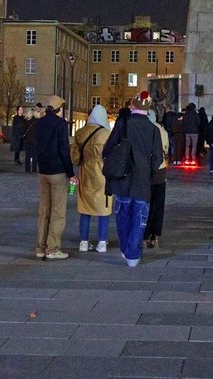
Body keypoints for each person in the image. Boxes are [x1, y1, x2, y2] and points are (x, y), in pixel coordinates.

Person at [104, 91, 163, 267]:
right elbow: (158, 158)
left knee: (123, 215)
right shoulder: (154, 129)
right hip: (142, 180)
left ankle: (125, 249)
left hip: (123, 178)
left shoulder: (124, 124)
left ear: (133, 105)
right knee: (139, 218)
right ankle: (133, 254)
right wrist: (148, 171)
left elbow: (108, 148)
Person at [33, 97, 76, 261]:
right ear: (60, 109)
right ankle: (53, 248)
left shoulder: (40, 123)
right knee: (58, 212)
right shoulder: (60, 124)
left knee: (44, 211)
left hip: (43, 170)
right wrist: (71, 173)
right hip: (57, 171)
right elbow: (64, 150)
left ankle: (41, 247)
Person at [71, 104, 111, 254]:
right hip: (103, 174)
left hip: (86, 173)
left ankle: (84, 242)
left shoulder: (80, 133)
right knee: (104, 208)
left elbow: (74, 158)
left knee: (85, 209)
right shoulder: (107, 134)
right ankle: (102, 242)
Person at [143, 109, 170, 249]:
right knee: (158, 205)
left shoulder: (144, 130)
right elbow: (166, 152)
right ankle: (155, 235)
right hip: (160, 172)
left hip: (145, 172)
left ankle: (144, 234)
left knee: (145, 204)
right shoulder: (163, 131)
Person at [22, 103, 43, 174]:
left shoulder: (25, 121)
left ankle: (27, 169)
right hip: (35, 140)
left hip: (27, 140)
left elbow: (22, 130)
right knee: (35, 156)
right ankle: (33, 170)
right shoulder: (37, 121)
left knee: (27, 156)